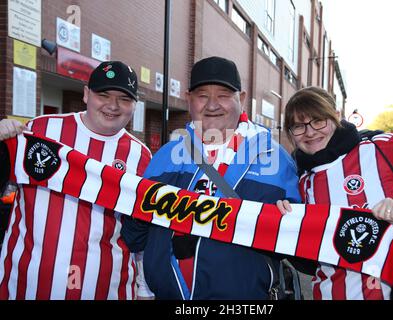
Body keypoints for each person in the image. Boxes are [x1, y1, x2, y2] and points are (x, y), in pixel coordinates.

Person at [121, 56, 301, 300]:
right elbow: (135, 236)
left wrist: (288, 223)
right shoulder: (166, 155)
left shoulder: (275, 158)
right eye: (202, 95)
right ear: (189, 99)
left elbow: (299, 246)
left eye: (224, 94)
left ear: (243, 98)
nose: (213, 105)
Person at [277, 86, 393, 300]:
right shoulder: (299, 180)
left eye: (318, 120)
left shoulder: (381, 148)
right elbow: (310, 259)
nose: (310, 132)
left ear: (336, 117)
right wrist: (286, 225)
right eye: (298, 126)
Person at [0, 61, 152, 300]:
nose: (113, 105)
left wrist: (144, 288)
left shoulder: (141, 155)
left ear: (134, 105)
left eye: (124, 98)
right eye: (103, 94)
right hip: (26, 284)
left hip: (108, 288)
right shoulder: (39, 130)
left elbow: (142, 230)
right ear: (86, 95)